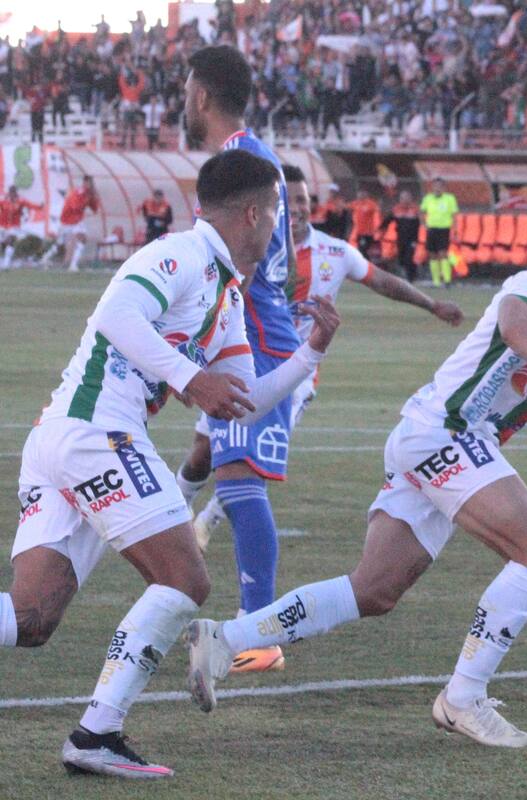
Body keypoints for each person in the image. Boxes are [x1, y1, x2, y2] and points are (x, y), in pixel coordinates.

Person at [185, 196, 527, 750]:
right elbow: (517, 326)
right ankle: (462, 697)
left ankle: (223, 640)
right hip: (445, 433)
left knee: (374, 589)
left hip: (434, 438)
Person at [0, 148, 340, 778]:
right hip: (96, 431)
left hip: (66, 438)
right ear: (251, 214)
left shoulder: (228, 296)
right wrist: (189, 378)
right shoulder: (180, 254)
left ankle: (96, 736)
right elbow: (115, 315)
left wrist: (308, 357)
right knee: (186, 577)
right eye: (277, 215)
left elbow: (241, 399)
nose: (280, 231)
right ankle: (97, 734)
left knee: (31, 617)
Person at [190, 165, 464, 546]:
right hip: (241, 364)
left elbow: (382, 281)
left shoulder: (334, 251)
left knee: (250, 464)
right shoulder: (252, 251)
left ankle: (204, 525)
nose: (297, 207)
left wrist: (432, 304)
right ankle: (177, 507)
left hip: (295, 378)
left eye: (303, 199)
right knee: (202, 452)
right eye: (290, 200)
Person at [171, 45, 304, 674]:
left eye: (185, 90)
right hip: (256, 328)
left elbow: (237, 265)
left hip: (251, 334)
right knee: (227, 472)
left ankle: (259, 638)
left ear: (201, 95)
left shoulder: (237, 163)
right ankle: (252, 632)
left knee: (241, 483)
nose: (183, 101)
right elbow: (290, 259)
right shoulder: (257, 157)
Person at [41, 176, 99, 272]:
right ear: (84, 183)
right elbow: (74, 206)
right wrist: (87, 199)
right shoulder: (79, 192)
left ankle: (73, 265)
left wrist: (94, 197)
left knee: (82, 239)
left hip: (77, 221)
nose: (90, 185)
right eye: (88, 183)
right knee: (60, 243)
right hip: (67, 220)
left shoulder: (88, 194)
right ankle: (45, 258)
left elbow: (95, 209)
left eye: (91, 183)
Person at [421, 177, 459, 287]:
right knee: (432, 254)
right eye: (435, 186)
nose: (437, 188)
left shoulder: (450, 198)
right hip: (432, 229)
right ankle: (436, 281)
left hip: (444, 229)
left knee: (443, 253)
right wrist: (424, 224)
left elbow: (454, 215)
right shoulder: (428, 198)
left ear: (444, 187)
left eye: (439, 186)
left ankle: (447, 280)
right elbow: (422, 211)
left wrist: (455, 229)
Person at [379, 189, 421, 281]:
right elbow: (388, 220)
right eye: (403, 198)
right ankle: (408, 274)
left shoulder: (415, 209)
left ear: (410, 199)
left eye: (407, 197)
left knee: (409, 257)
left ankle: (411, 277)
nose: (405, 200)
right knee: (401, 258)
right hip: (401, 238)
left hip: (412, 239)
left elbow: (422, 222)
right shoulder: (396, 209)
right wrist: (380, 228)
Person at [0, 185, 43, 268]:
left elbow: (30, 205)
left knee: (10, 240)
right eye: (11, 192)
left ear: (16, 193)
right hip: (2, 225)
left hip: (14, 226)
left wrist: (39, 207)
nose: (12, 195)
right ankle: (3, 260)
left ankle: (6, 263)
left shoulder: (21, 201)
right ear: (9, 193)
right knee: (3, 242)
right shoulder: (4, 201)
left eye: (14, 192)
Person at [349, 187, 381, 259]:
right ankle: (365, 264)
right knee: (361, 249)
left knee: (363, 249)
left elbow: (377, 213)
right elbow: (347, 206)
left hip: (368, 233)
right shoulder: (356, 203)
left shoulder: (371, 204)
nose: (359, 196)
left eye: (361, 194)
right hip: (359, 232)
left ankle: (367, 264)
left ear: (365, 195)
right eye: (358, 195)